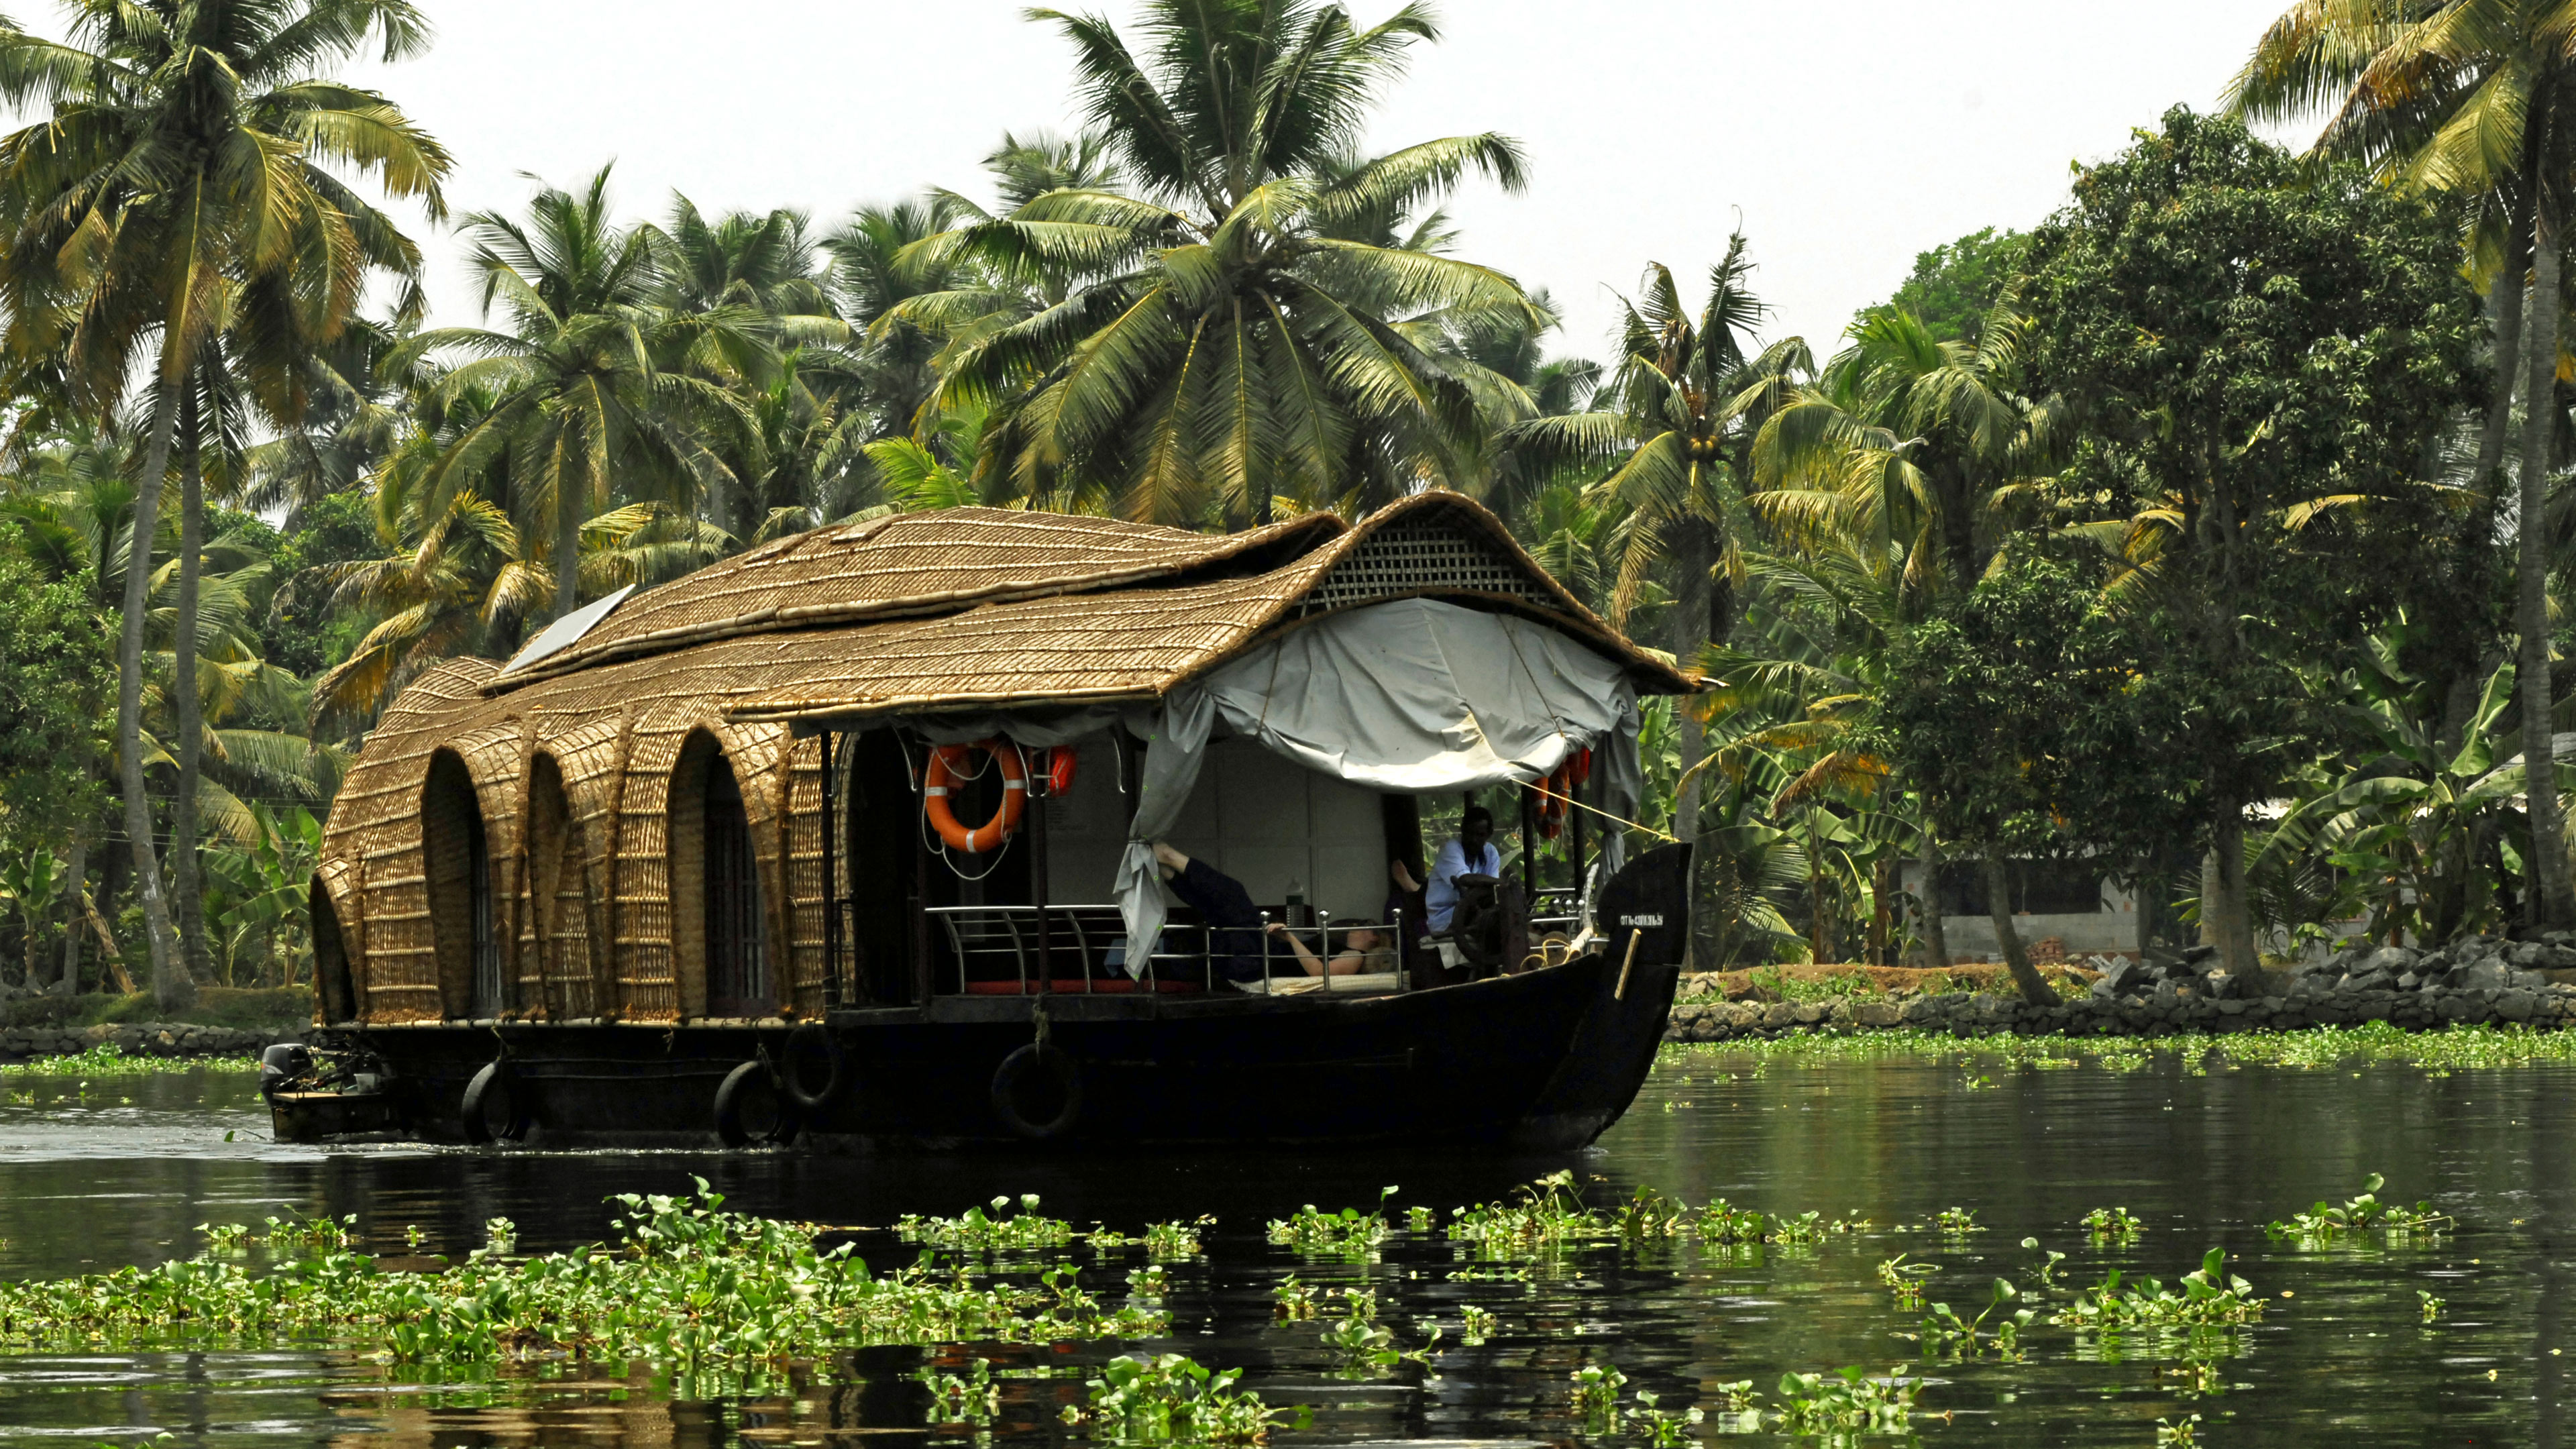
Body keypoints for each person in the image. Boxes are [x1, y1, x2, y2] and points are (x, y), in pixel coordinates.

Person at [1150, 841, 1269, 983]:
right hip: (1240, 954)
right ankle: (1167, 869)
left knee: (1233, 899)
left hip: (1247, 957)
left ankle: (1168, 859)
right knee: (1211, 907)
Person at [1394, 805, 1499, 934]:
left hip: (1473, 915)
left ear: (1490, 834)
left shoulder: (1491, 853)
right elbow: (1465, 879)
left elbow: (1493, 889)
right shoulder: (1452, 849)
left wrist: (1500, 885)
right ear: (1462, 830)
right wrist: (1503, 882)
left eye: (1480, 835)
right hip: (1444, 919)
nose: (1474, 840)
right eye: (1470, 833)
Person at [1265, 921, 1397, 976]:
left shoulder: (1357, 956)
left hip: (1272, 962)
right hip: (1273, 954)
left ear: (1374, 937)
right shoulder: (1343, 948)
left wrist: (1290, 937)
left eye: (1362, 925)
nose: (1354, 926)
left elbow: (1320, 972)